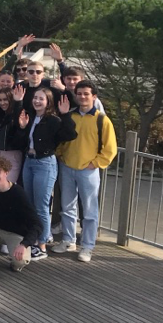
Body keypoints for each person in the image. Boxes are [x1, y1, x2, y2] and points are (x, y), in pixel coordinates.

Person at [53, 81, 117, 262]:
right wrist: (60, 155)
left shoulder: (101, 119)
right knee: (67, 208)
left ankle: (87, 246)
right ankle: (68, 240)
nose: (82, 96)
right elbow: (61, 139)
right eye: (79, 93)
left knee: (89, 211)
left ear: (94, 96)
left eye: (86, 94)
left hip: (88, 171)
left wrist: (96, 163)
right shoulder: (69, 115)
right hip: (67, 167)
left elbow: (110, 148)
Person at [12, 87, 75, 260]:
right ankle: (31, 241)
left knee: (41, 207)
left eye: (41, 99)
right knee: (30, 204)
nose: (37, 101)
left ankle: (42, 244)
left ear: (48, 102)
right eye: (35, 98)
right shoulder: (31, 117)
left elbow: (70, 134)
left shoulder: (53, 120)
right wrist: (23, 127)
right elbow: (20, 140)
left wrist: (65, 114)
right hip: (29, 162)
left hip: (45, 163)